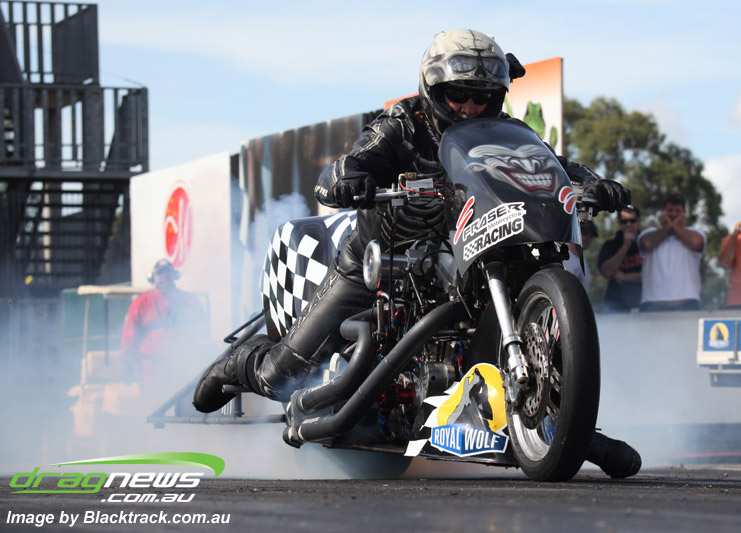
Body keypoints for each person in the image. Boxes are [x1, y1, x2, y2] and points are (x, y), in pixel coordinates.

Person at [194, 29, 640, 478]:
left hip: (462, 261)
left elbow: (554, 166)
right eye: (458, 95)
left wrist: (592, 183)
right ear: (433, 90)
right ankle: (232, 366)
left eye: (482, 97)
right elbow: (348, 165)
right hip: (381, 266)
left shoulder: (510, 133)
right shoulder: (402, 125)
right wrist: (348, 178)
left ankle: (560, 421)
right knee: (283, 375)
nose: (470, 107)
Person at [120, 259, 207, 382]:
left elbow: (202, 330)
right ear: (153, 277)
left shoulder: (188, 300)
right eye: (160, 273)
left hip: (182, 366)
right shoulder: (141, 302)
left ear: (174, 276)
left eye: (168, 273)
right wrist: (126, 363)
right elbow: (129, 336)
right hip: (151, 369)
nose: (164, 277)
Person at [638, 193, 705, 311]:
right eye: (670, 210)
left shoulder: (695, 233)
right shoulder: (648, 233)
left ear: (684, 214)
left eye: (677, 211)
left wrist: (675, 227)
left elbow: (696, 243)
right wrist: (667, 227)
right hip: (652, 303)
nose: (673, 214)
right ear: (663, 213)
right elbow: (647, 244)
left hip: (687, 303)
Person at [598, 207, 643, 312]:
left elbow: (651, 275)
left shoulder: (646, 243)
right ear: (619, 223)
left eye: (632, 221)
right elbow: (607, 272)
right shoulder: (610, 245)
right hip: (615, 305)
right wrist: (625, 246)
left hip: (643, 304)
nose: (628, 225)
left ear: (639, 222)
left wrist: (624, 276)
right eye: (624, 221)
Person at [564, 220, 598, 293]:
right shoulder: (560, 257)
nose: (587, 238)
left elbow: (584, 294)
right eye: (585, 233)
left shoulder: (584, 265)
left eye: (591, 236)